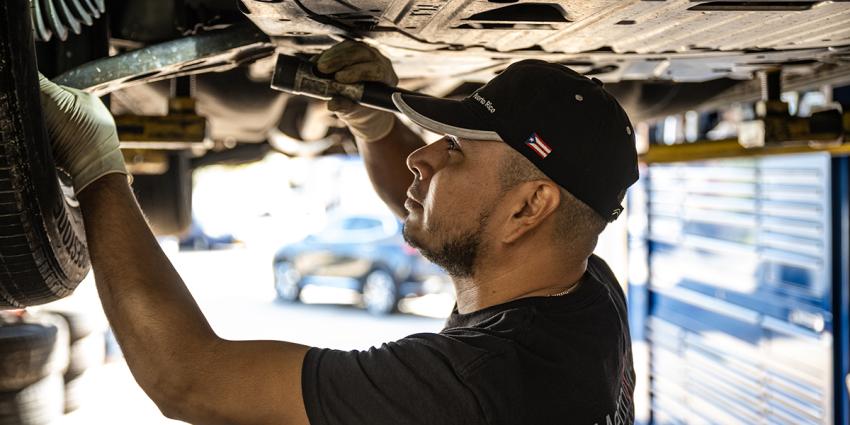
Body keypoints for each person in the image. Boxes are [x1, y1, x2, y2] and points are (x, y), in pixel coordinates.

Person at [38, 40, 638, 425]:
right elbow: (445, 211)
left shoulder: (471, 388)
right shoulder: (584, 288)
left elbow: (189, 379)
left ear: (531, 206)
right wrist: (374, 126)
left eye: (454, 150)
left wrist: (97, 169)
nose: (421, 160)